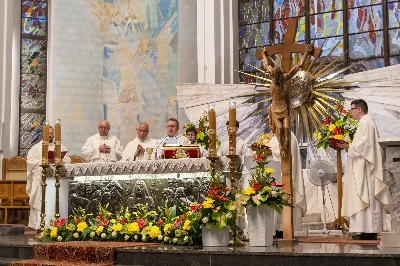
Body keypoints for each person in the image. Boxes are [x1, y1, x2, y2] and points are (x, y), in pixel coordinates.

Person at [337, 99, 390, 240]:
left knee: (367, 196)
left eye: (352, 109)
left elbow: (365, 145)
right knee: (364, 196)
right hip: (361, 166)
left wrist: (349, 147)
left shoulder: (366, 122)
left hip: (366, 169)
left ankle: (370, 230)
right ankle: (366, 229)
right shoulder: (364, 123)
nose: (350, 113)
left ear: (359, 109)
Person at [26, 126, 71, 230]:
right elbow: (30, 162)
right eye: (48, 133)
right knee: (41, 200)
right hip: (41, 179)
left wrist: (59, 160)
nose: (50, 135)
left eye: (51, 133)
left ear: (54, 134)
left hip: (56, 180)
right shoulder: (36, 148)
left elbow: (68, 161)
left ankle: (57, 223)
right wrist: (43, 161)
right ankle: (39, 224)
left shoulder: (61, 147)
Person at [268, 131, 306, 237]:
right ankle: (277, 228)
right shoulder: (274, 136)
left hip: (285, 173)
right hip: (275, 174)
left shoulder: (289, 135)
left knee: (284, 200)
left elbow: (287, 153)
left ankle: (284, 228)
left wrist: (271, 151)